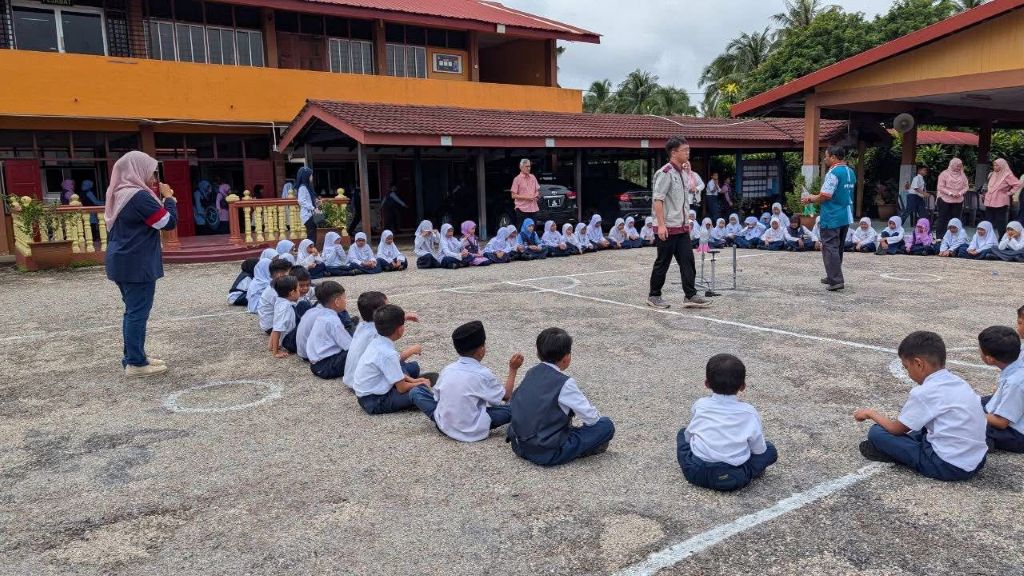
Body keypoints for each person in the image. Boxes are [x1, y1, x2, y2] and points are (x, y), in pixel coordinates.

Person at [854, 331, 987, 481]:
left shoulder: (924, 392)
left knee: (877, 433)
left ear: (918, 364)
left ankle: (894, 453)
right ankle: (898, 449)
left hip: (948, 466)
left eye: (906, 367)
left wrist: (870, 413)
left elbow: (896, 429)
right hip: (978, 459)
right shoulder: (959, 382)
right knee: (922, 426)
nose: (908, 373)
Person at [104, 151, 178, 377]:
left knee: (132, 311)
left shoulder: (118, 192)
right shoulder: (138, 196)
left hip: (121, 260)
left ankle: (134, 357)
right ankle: (136, 363)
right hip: (137, 263)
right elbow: (167, 222)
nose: (154, 179)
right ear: (137, 171)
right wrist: (169, 199)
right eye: (151, 173)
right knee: (137, 313)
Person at [506, 327, 616, 466]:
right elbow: (591, 418)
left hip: (519, 445)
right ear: (566, 358)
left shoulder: (532, 372)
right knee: (606, 425)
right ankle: (579, 450)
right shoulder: (565, 383)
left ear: (538, 354)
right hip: (547, 452)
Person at [409, 321, 524, 442]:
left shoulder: (447, 370)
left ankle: (448, 419)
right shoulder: (483, 374)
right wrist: (513, 369)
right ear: (481, 350)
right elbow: (506, 396)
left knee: (416, 392)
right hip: (473, 429)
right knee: (516, 408)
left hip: (444, 425)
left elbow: (438, 398)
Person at [676, 354, 777, 492]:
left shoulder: (700, 405)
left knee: (682, 434)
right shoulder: (749, 412)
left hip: (696, 472)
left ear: (707, 384)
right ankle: (749, 472)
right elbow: (758, 449)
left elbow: (688, 437)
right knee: (770, 450)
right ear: (742, 386)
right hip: (733, 476)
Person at [647, 137, 710, 309]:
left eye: (688, 150)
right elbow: (658, 200)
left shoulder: (683, 173)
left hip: (682, 226)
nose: (688, 153)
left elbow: (688, 196)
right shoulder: (665, 173)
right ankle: (654, 295)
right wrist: (660, 225)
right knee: (663, 262)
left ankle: (690, 295)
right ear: (674, 152)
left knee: (687, 261)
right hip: (667, 227)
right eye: (685, 150)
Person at [351, 304, 433, 415]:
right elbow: (402, 388)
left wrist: (414, 380)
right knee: (418, 392)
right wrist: (420, 384)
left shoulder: (377, 339)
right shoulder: (388, 354)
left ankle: (413, 387)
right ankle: (417, 399)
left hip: (366, 394)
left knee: (413, 367)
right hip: (375, 401)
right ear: (400, 329)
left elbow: (390, 368)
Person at [343, 291, 422, 390]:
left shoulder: (362, 326)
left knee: (409, 367)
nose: (389, 309)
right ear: (379, 313)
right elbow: (390, 359)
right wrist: (412, 350)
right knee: (413, 367)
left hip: (350, 378)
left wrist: (403, 317)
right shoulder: (377, 335)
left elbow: (385, 321)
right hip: (364, 384)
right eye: (387, 307)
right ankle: (409, 385)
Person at [802, 145, 855, 291]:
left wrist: (810, 198)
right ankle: (832, 275)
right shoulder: (850, 171)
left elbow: (826, 195)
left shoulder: (833, 173)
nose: (824, 159)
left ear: (833, 157)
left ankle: (836, 280)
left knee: (829, 247)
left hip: (832, 215)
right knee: (838, 247)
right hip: (846, 214)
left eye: (826, 156)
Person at [977, 326, 1024, 453]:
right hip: (1014, 408)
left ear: (990, 359)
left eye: (980, 349)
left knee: (967, 423)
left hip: (1017, 433)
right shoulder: (1019, 357)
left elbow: (1001, 422)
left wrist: (972, 415)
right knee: (974, 402)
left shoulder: (1015, 382)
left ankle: (985, 442)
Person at [306, 281, 352, 380]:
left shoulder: (323, 314)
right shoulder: (333, 321)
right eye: (344, 298)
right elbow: (349, 346)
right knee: (359, 350)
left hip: (316, 364)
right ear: (337, 301)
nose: (346, 301)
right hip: (326, 366)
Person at [984, 158, 1021, 236]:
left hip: (1001, 202)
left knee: (1000, 222)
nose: (995, 167)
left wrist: (1009, 193)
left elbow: (1017, 184)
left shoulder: (1007, 174)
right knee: (988, 221)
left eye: (997, 165)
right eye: (994, 165)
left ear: (1002, 165)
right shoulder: (992, 174)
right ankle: (987, 239)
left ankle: (1002, 240)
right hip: (989, 201)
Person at [267, 276, 300, 359]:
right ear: (292, 293)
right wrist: (276, 352)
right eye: (298, 290)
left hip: (288, 337)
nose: (300, 292)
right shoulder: (284, 308)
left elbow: (275, 324)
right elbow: (277, 329)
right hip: (289, 341)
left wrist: (270, 345)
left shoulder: (281, 301)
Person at [257, 259, 294, 332]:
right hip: (272, 327)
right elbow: (286, 308)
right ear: (280, 274)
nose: (291, 276)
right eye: (289, 273)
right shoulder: (274, 291)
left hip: (271, 324)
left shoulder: (276, 285)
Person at [936, 158, 969, 233]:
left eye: (960, 166)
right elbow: (940, 187)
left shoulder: (962, 175)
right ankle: (940, 237)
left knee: (955, 220)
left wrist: (960, 193)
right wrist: (950, 193)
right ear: (952, 165)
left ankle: (954, 237)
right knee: (943, 218)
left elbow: (966, 186)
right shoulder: (944, 174)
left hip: (958, 200)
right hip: (944, 199)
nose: (958, 168)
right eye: (957, 166)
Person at [511, 158, 540, 227]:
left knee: (533, 229)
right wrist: (527, 198)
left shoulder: (533, 177)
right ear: (521, 167)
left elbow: (537, 191)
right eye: (526, 166)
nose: (529, 168)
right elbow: (513, 195)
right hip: (522, 208)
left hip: (533, 207)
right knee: (523, 229)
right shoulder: (517, 179)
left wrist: (536, 196)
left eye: (529, 166)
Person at [295, 167, 319, 242]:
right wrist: (313, 208)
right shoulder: (303, 188)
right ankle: (310, 250)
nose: (312, 177)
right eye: (310, 175)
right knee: (311, 234)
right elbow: (301, 201)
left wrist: (316, 202)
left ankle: (311, 249)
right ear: (306, 176)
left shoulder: (308, 187)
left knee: (312, 233)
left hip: (311, 214)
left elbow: (309, 199)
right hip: (307, 215)